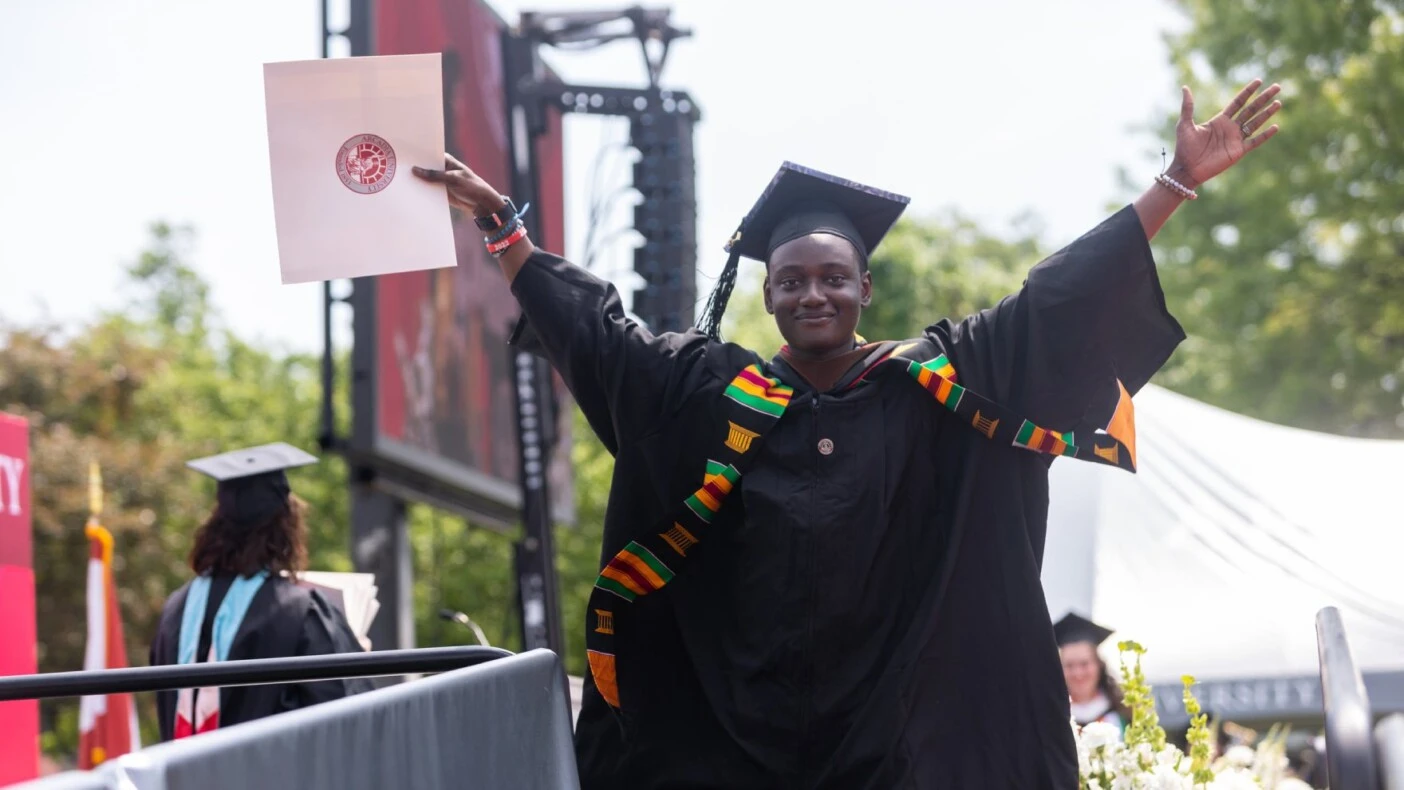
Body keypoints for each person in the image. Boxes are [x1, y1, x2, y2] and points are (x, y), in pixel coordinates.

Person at [414, 79, 1281, 788]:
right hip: (738, 748)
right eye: (792, 281)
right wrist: (504, 226)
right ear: (768, 296)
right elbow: (600, 335)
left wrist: (1173, 184)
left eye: (834, 277)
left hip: (911, 744)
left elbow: (1056, 304)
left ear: (866, 288)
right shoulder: (713, 395)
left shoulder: (939, 383)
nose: (812, 295)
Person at [149, 442, 373, 741]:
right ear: (286, 527)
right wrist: (351, 646)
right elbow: (347, 713)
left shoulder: (174, 610)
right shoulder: (299, 610)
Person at [1055, 612, 1131, 732]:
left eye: (1084, 664)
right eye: (1069, 666)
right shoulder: (1052, 716)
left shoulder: (1125, 712)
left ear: (1098, 665)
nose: (1078, 673)